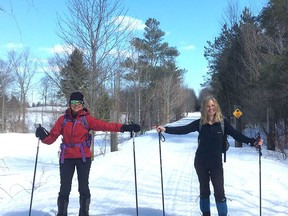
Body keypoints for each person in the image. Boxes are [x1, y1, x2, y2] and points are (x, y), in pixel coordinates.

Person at [35, 91, 140, 216]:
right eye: (74, 102)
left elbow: (105, 125)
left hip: (83, 158)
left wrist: (125, 127)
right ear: (69, 104)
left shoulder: (87, 119)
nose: (76, 105)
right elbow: (51, 138)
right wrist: (42, 136)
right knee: (64, 189)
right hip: (66, 158)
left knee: (83, 187)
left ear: (82, 104)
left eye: (79, 103)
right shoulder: (62, 120)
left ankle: (84, 213)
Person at [156, 96, 262, 216]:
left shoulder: (222, 124)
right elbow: (183, 129)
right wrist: (165, 129)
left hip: (216, 163)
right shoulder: (200, 123)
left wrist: (253, 142)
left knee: (220, 192)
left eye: (213, 105)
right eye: (208, 106)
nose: (211, 108)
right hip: (201, 162)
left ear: (216, 107)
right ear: (204, 108)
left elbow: (237, 135)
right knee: (204, 191)